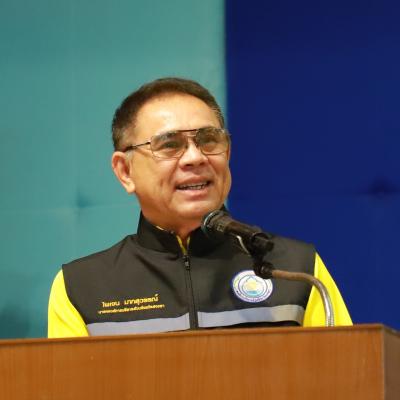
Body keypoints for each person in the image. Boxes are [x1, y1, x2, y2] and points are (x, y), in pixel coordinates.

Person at [48, 77, 351, 338]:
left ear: (227, 154)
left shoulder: (296, 270)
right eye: (170, 144)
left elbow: (346, 376)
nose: (195, 157)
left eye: (209, 140)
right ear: (125, 171)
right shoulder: (83, 287)